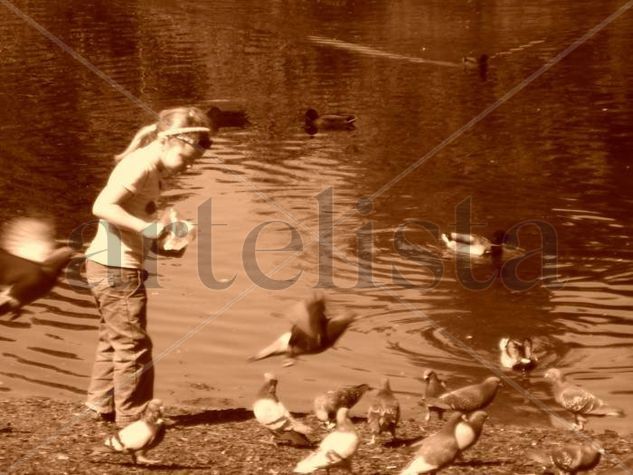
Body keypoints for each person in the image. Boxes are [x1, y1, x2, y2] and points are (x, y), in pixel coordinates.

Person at [83, 106, 212, 426]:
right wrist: (148, 229)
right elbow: (102, 206)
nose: (189, 166)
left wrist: (164, 237)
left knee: (113, 339)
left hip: (110, 263)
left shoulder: (151, 167)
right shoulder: (139, 165)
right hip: (115, 267)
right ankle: (134, 418)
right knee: (133, 344)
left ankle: (100, 405)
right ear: (171, 141)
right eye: (187, 158)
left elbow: (128, 218)